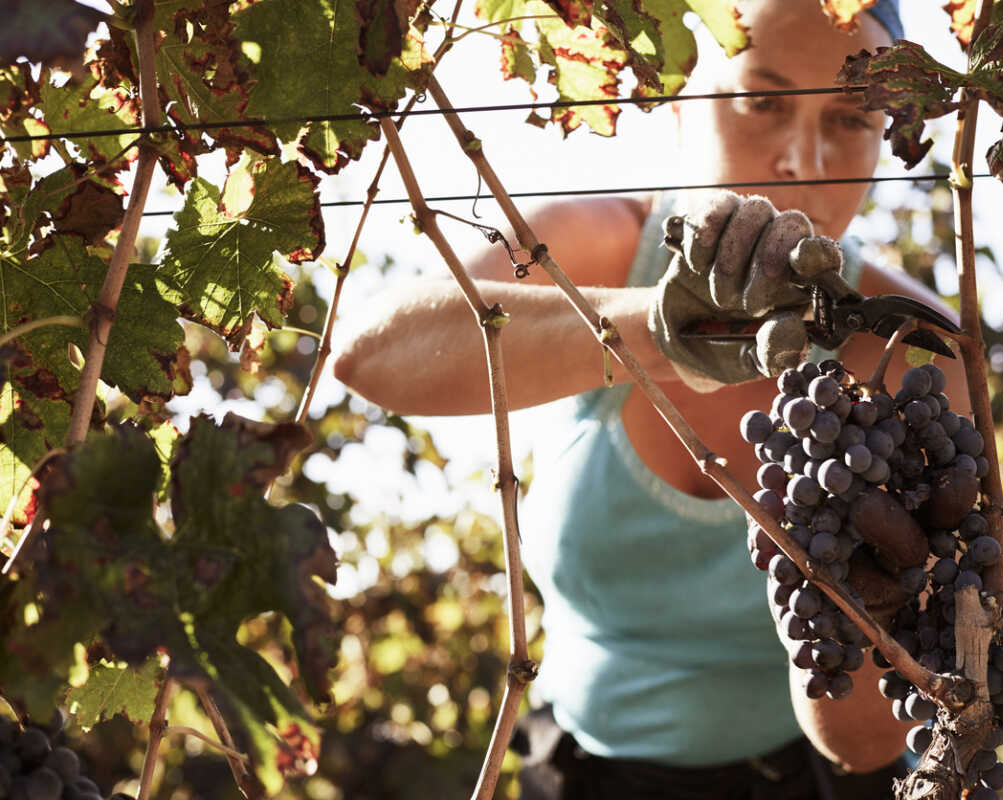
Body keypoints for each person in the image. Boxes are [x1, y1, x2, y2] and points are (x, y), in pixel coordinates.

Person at [333, 0, 968, 796]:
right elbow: (371, 356)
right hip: (580, 772)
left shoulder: (913, 351)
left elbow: (866, 745)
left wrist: (859, 610)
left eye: (848, 122)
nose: (801, 160)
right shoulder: (599, 251)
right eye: (762, 102)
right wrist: (657, 333)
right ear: (679, 97)